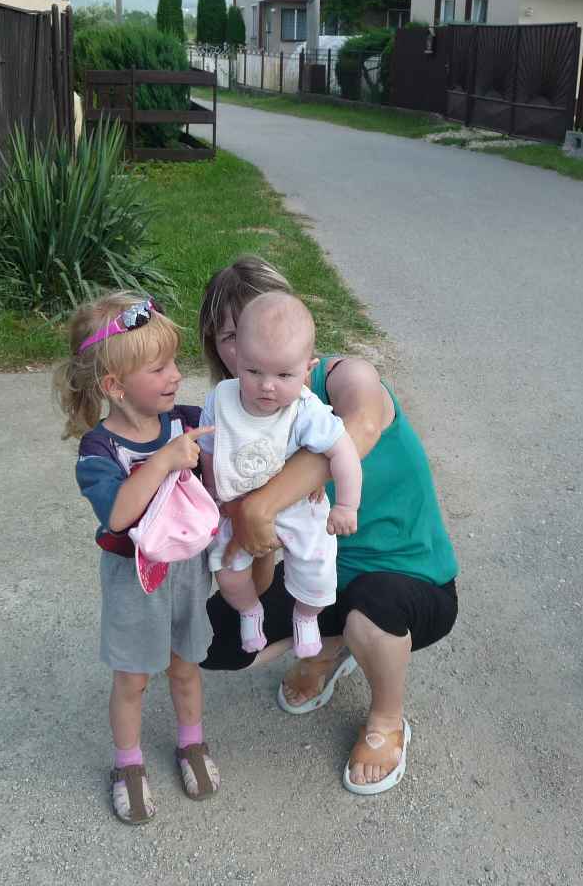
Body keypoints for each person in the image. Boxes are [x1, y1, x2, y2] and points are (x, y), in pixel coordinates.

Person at [198, 257, 459, 795]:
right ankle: (331, 641)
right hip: (323, 564)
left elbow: (360, 425)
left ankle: (387, 719)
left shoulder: (343, 378)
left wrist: (262, 504)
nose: (255, 348)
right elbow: (254, 536)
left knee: (373, 608)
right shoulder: (235, 412)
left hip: (409, 574)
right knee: (214, 641)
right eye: (233, 337)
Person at [57, 293, 220, 825]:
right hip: (133, 578)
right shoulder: (99, 450)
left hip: (189, 572)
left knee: (186, 665)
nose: (176, 375)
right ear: (115, 386)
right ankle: (128, 764)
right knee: (133, 679)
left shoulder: (188, 421)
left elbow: (233, 461)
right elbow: (118, 515)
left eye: (174, 362)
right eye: (159, 368)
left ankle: (191, 742)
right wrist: (165, 461)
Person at [199, 292, 362, 659]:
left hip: (297, 504)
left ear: (308, 369)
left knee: (318, 572)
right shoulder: (221, 399)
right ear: (237, 357)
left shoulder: (305, 409)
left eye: (284, 374)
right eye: (254, 371)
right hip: (235, 504)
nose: (267, 385)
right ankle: (249, 611)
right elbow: (209, 446)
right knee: (227, 572)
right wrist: (212, 489)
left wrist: (347, 505)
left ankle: (306, 616)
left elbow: (344, 451)